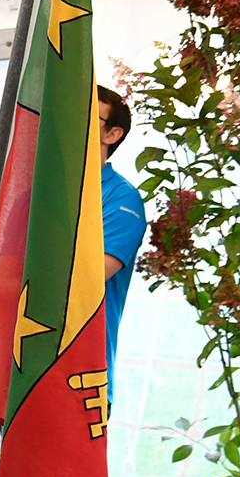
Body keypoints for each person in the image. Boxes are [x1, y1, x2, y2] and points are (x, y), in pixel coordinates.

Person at [96, 86, 148, 403]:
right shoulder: (39, 187)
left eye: (88, 118)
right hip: (24, 363)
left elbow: (90, 277)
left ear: (112, 133)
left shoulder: (122, 198)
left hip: (83, 377)